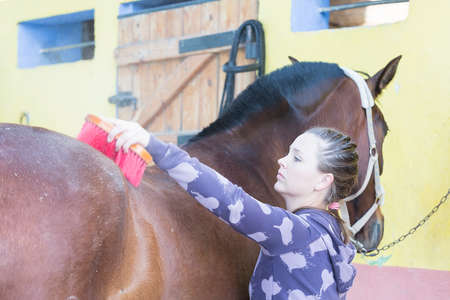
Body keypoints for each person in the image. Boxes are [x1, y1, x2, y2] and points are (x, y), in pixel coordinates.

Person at [106, 118, 359, 300]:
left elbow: (229, 200)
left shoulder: (295, 233)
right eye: (289, 153)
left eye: (297, 158)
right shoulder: (334, 236)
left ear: (323, 181)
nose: (282, 160)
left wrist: (154, 146)